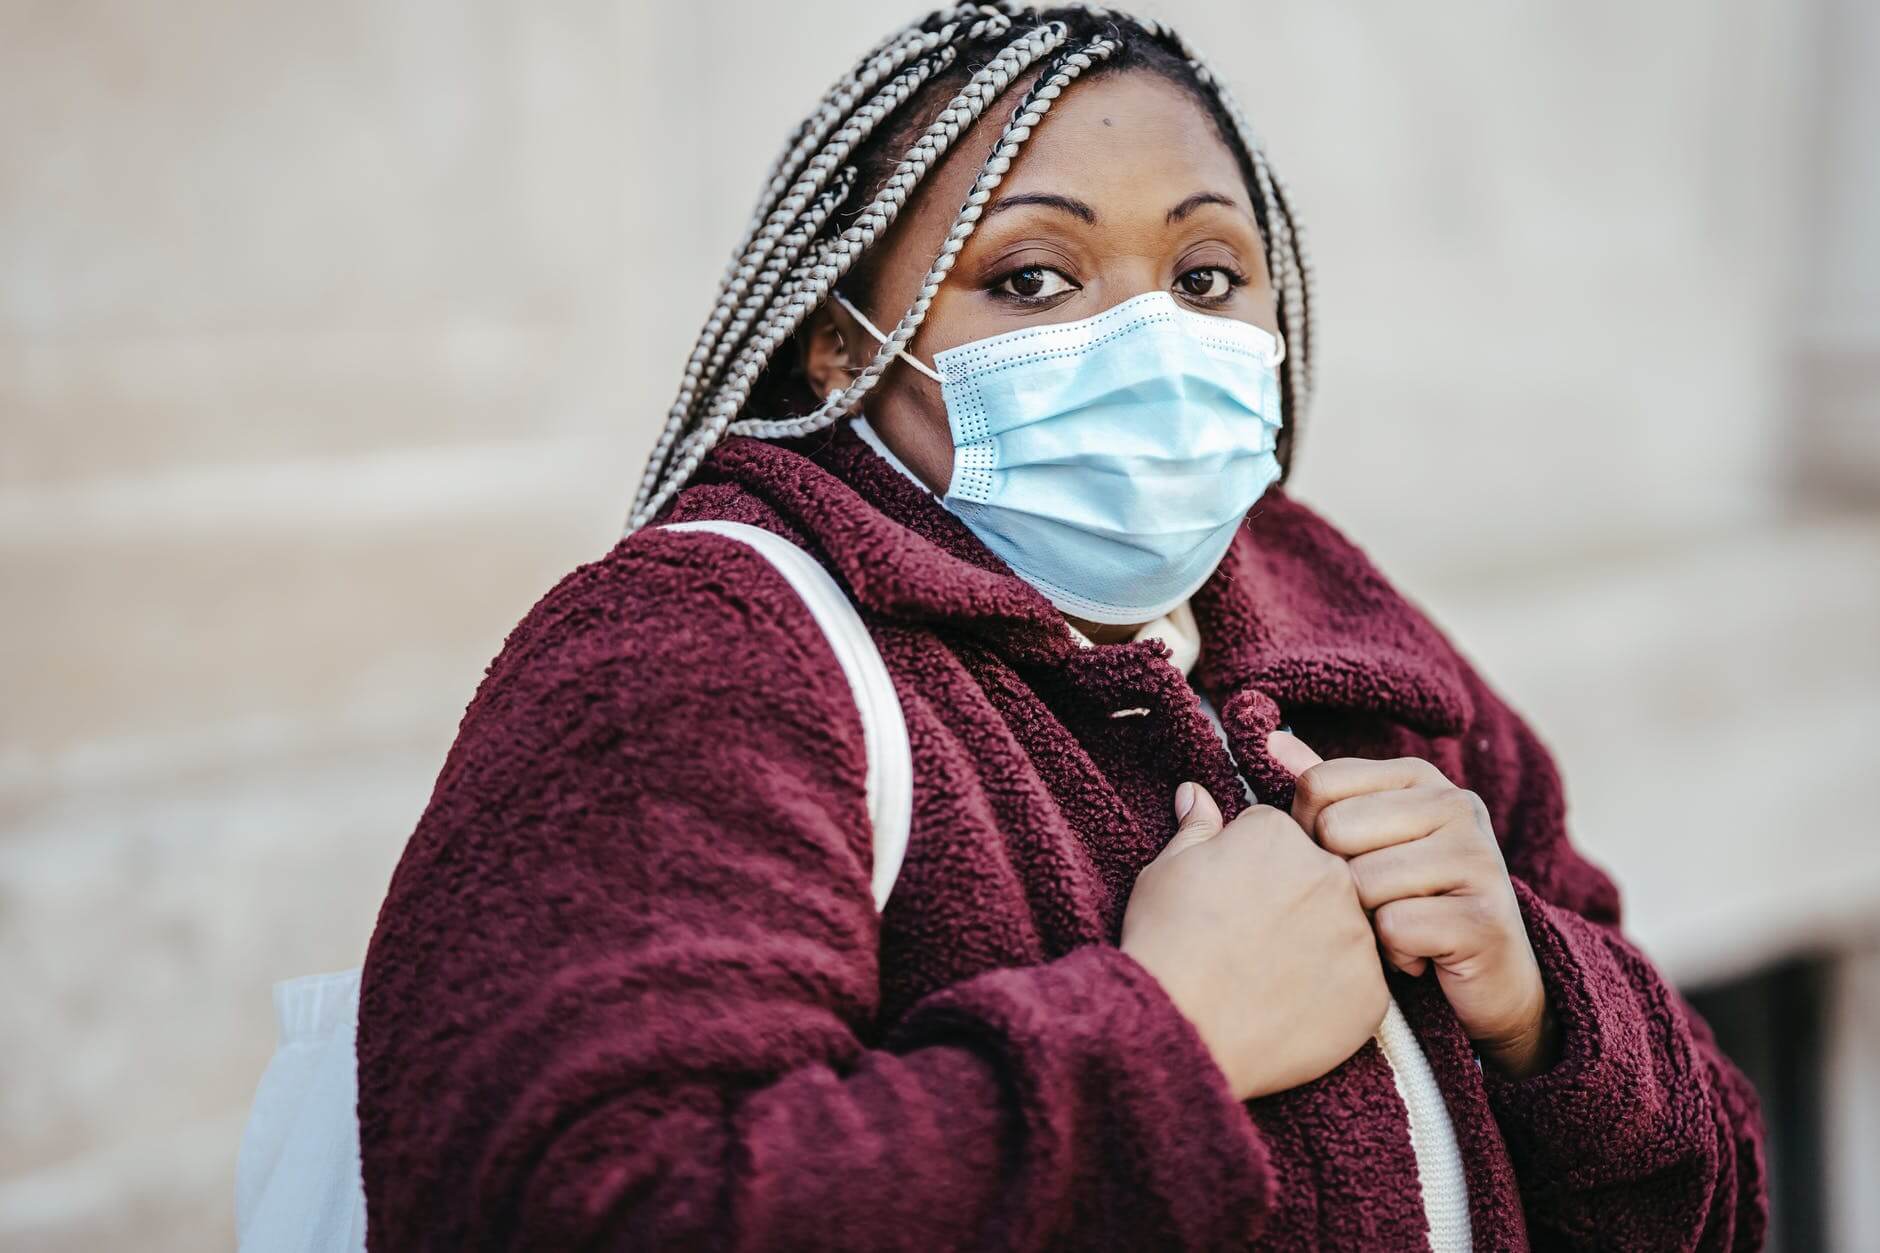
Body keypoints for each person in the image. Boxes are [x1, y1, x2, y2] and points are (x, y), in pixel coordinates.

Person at [355, 5, 1766, 1248]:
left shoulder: (1349, 637)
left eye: (1207, 275)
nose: (1151, 334)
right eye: (1034, 277)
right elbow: (579, 1206)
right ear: (846, 341)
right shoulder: (703, 647)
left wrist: (1539, 998)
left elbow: (1720, 1203)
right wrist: (1170, 1037)